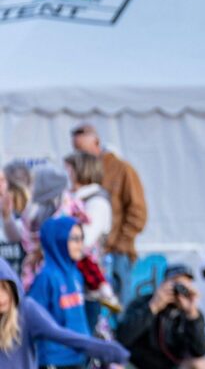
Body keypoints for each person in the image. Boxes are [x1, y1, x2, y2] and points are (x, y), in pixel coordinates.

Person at [0, 258, 128, 368]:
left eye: (5, 288)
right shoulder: (46, 278)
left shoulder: (25, 311)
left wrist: (111, 351)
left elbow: (63, 336)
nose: (1, 297)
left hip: (67, 359)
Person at [71, 123, 148, 305]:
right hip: (89, 257)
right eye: (75, 150)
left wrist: (119, 244)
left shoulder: (122, 169)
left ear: (96, 143)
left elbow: (138, 212)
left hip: (116, 254)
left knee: (119, 311)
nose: (78, 155)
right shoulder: (83, 174)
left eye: (81, 149)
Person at [26, 216, 93, 368]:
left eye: (82, 238)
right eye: (74, 238)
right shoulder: (46, 278)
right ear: (59, 241)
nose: (80, 244)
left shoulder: (76, 274)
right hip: (55, 360)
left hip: (78, 356)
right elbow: (31, 318)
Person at [117, 263, 205, 369]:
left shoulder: (191, 313)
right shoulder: (143, 302)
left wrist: (191, 314)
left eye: (184, 286)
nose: (179, 290)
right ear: (164, 283)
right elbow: (122, 338)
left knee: (201, 363)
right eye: (176, 284)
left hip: (173, 365)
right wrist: (154, 307)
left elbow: (200, 351)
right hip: (139, 363)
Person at [65, 151, 119, 329]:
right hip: (74, 278)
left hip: (89, 282)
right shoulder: (73, 199)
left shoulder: (97, 202)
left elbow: (85, 239)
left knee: (88, 328)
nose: (67, 175)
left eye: (70, 170)